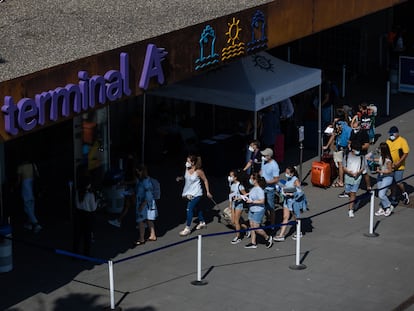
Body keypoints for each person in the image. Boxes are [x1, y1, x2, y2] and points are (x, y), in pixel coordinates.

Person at [177, 155, 213, 236]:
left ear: (193, 162)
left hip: (197, 193)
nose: (187, 163)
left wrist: (208, 192)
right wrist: (181, 178)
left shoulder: (199, 171)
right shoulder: (187, 169)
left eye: (188, 161)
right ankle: (202, 222)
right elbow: (187, 177)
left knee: (189, 209)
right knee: (198, 207)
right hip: (188, 193)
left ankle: (187, 228)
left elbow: (205, 180)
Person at [339, 117, 371, 198]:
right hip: (352, 155)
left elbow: (367, 145)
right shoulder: (353, 132)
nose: (354, 129)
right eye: (353, 127)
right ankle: (347, 190)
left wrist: (358, 147)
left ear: (359, 126)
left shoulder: (364, 133)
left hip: (361, 155)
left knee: (364, 172)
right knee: (349, 170)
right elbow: (350, 141)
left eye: (355, 127)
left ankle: (368, 187)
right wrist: (350, 145)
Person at [274, 166, 308, 241]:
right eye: (286, 172)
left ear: (292, 173)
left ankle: (299, 232)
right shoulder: (288, 179)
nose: (286, 174)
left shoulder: (295, 180)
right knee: (285, 217)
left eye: (288, 173)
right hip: (287, 201)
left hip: (293, 202)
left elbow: (300, 192)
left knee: (295, 217)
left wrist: (291, 194)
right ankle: (281, 235)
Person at [323, 112, 352, 188]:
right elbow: (350, 138)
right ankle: (344, 178)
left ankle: (341, 181)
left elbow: (333, 135)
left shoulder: (337, 125)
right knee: (344, 163)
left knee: (340, 165)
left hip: (340, 147)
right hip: (346, 147)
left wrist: (327, 146)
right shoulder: (348, 127)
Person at [244, 173, 273, 249]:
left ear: (255, 180)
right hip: (252, 209)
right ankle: (253, 242)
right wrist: (242, 197)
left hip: (258, 210)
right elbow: (250, 194)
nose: (250, 180)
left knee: (256, 227)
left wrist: (252, 202)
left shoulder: (260, 190)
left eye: (251, 178)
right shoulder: (253, 188)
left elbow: (262, 201)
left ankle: (267, 238)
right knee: (251, 226)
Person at [108, 154, 137, 228]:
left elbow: (134, 181)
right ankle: (119, 221)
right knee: (128, 206)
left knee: (133, 206)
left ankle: (144, 221)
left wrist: (124, 183)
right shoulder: (130, 169)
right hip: (129, 190)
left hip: (131, 190)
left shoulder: (132, 170)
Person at [73, 176, 97, 256]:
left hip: (78, 214)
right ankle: (86, 254)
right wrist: (98, 202)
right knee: (87, 236)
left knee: (77, 235)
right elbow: (93, 208)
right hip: (87, 216)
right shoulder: (90, 195)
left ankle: (75, 253)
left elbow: (76, 204)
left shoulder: (77, 192)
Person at [386, 126, 410, 205]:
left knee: (398, 182)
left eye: (392, 134)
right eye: (390, 134)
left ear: (396, 133)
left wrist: (399, 162)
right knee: (392, 182)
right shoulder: (388, 141)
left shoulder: (402, 141)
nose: (391, 136)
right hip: (391, 166)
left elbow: (405, 153)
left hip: (399, 166)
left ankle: (404, 193)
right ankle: (393, 197)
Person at [134, 165, 158, 245]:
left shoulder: (144, 181)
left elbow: (148, 194)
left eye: (138, 171)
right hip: (147, 203)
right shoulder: (144, 180)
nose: (136, 172)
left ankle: (141, 238)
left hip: (143, 203)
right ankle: (152, 235)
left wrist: (142, 205)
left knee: (140, 220)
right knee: (149, 219)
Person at [16, 159, 42, 233]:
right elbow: (38, 175)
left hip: (25, 186)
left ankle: (36, 224)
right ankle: (29, 224)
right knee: (31, 206)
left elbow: (19, 181)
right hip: (32, 185)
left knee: (27, 207)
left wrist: (14, 187)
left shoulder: (20, 167)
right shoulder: (33, 165)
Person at [342, 140, 366, 218]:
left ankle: (350, 210)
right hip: (348, 178)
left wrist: (358, 173)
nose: (358, 151)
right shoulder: (346, 156)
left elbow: (363, 168)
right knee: (348, 192)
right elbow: (343, 167)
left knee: (353, 193)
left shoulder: (362, 157)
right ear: (352, 149)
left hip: (357, 178)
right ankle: (354, 200)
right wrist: (349, 172)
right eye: (357, 149)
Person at [259, 148, 280, 232]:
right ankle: (267, 220)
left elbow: (276, 179)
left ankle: (272, 225)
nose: (262, 157)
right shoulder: (264, 162)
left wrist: (266, 182)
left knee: (271, 207)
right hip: (262, 188)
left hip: (269, 189)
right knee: (262, 206)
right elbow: (261, 171)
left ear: (269, 156)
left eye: (264, 155)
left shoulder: (274, 165)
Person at [228, 169, 249, 244]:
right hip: (234, 204)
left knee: (236, 221)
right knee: (233, 221)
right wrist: (230, 204)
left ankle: (238, 237)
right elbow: (230, 194)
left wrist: (239, 197)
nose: (229, 177)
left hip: (239, 205)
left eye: (231, 176)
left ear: (235, 177)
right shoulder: (232, 185)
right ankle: (246, 229)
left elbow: (246, 195)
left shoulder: (240, 186)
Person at [374, 143, 395, 217]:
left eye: (380, 148)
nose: (378, 149)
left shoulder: (388, 160)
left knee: (381, 194)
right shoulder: (382, 157)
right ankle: (383, 207)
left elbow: (390, 171)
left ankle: (388, 206)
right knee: (382, 193)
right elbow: (379, 160)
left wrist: (380, 171)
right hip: (380, 177)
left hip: (387, 177)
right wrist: (371, 159)